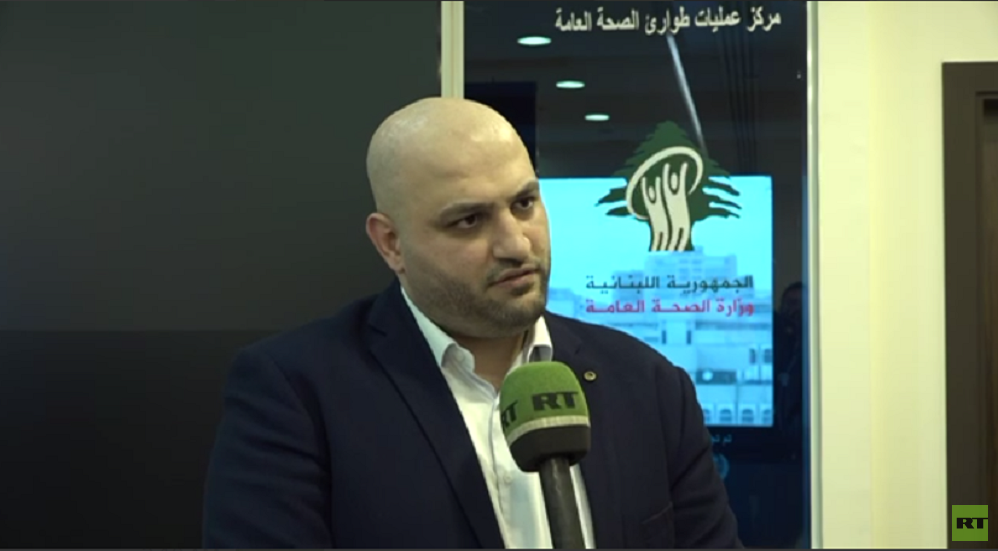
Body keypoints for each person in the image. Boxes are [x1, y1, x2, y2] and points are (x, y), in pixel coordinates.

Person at [202, 97, 741, 549]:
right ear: (391, 243)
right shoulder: (298, 395)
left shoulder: (648, 385)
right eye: (469, 220)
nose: (516, 244)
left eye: (524, 203)